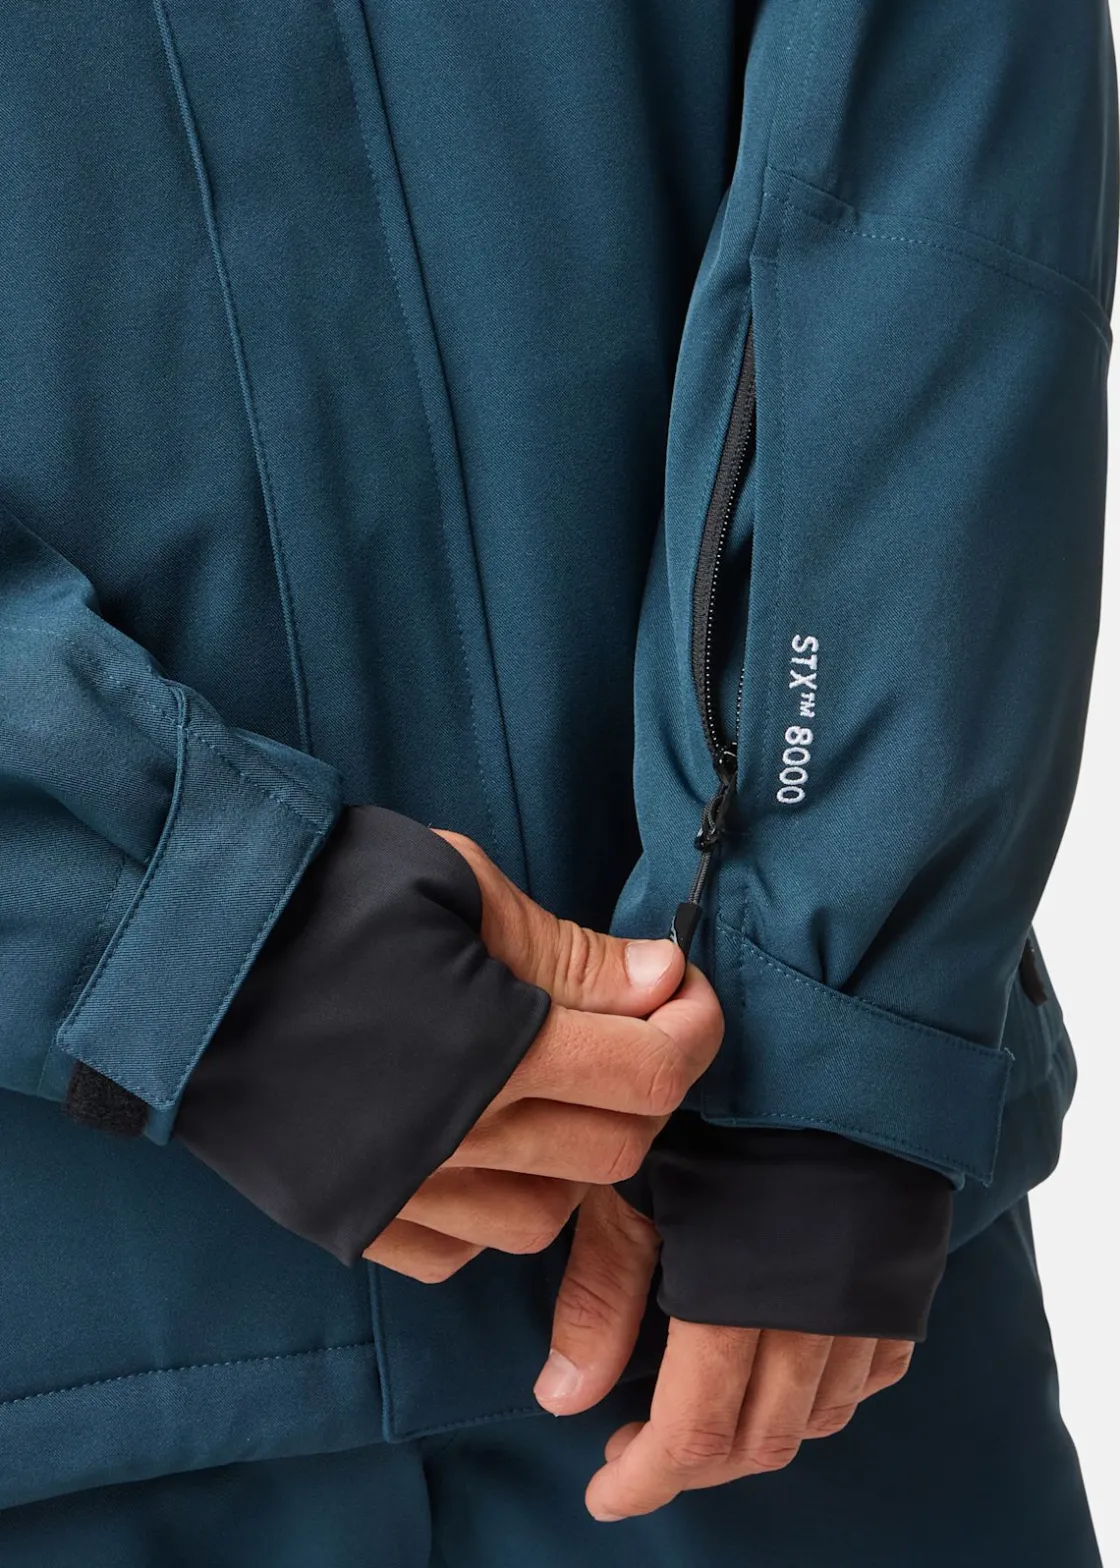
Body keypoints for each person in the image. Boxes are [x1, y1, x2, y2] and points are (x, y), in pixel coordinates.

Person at [0, 0, 1113, 1562]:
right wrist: (175, 925)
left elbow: (927, 117)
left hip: (763, 1311)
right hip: (80, 1361)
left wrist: (820, 1013)